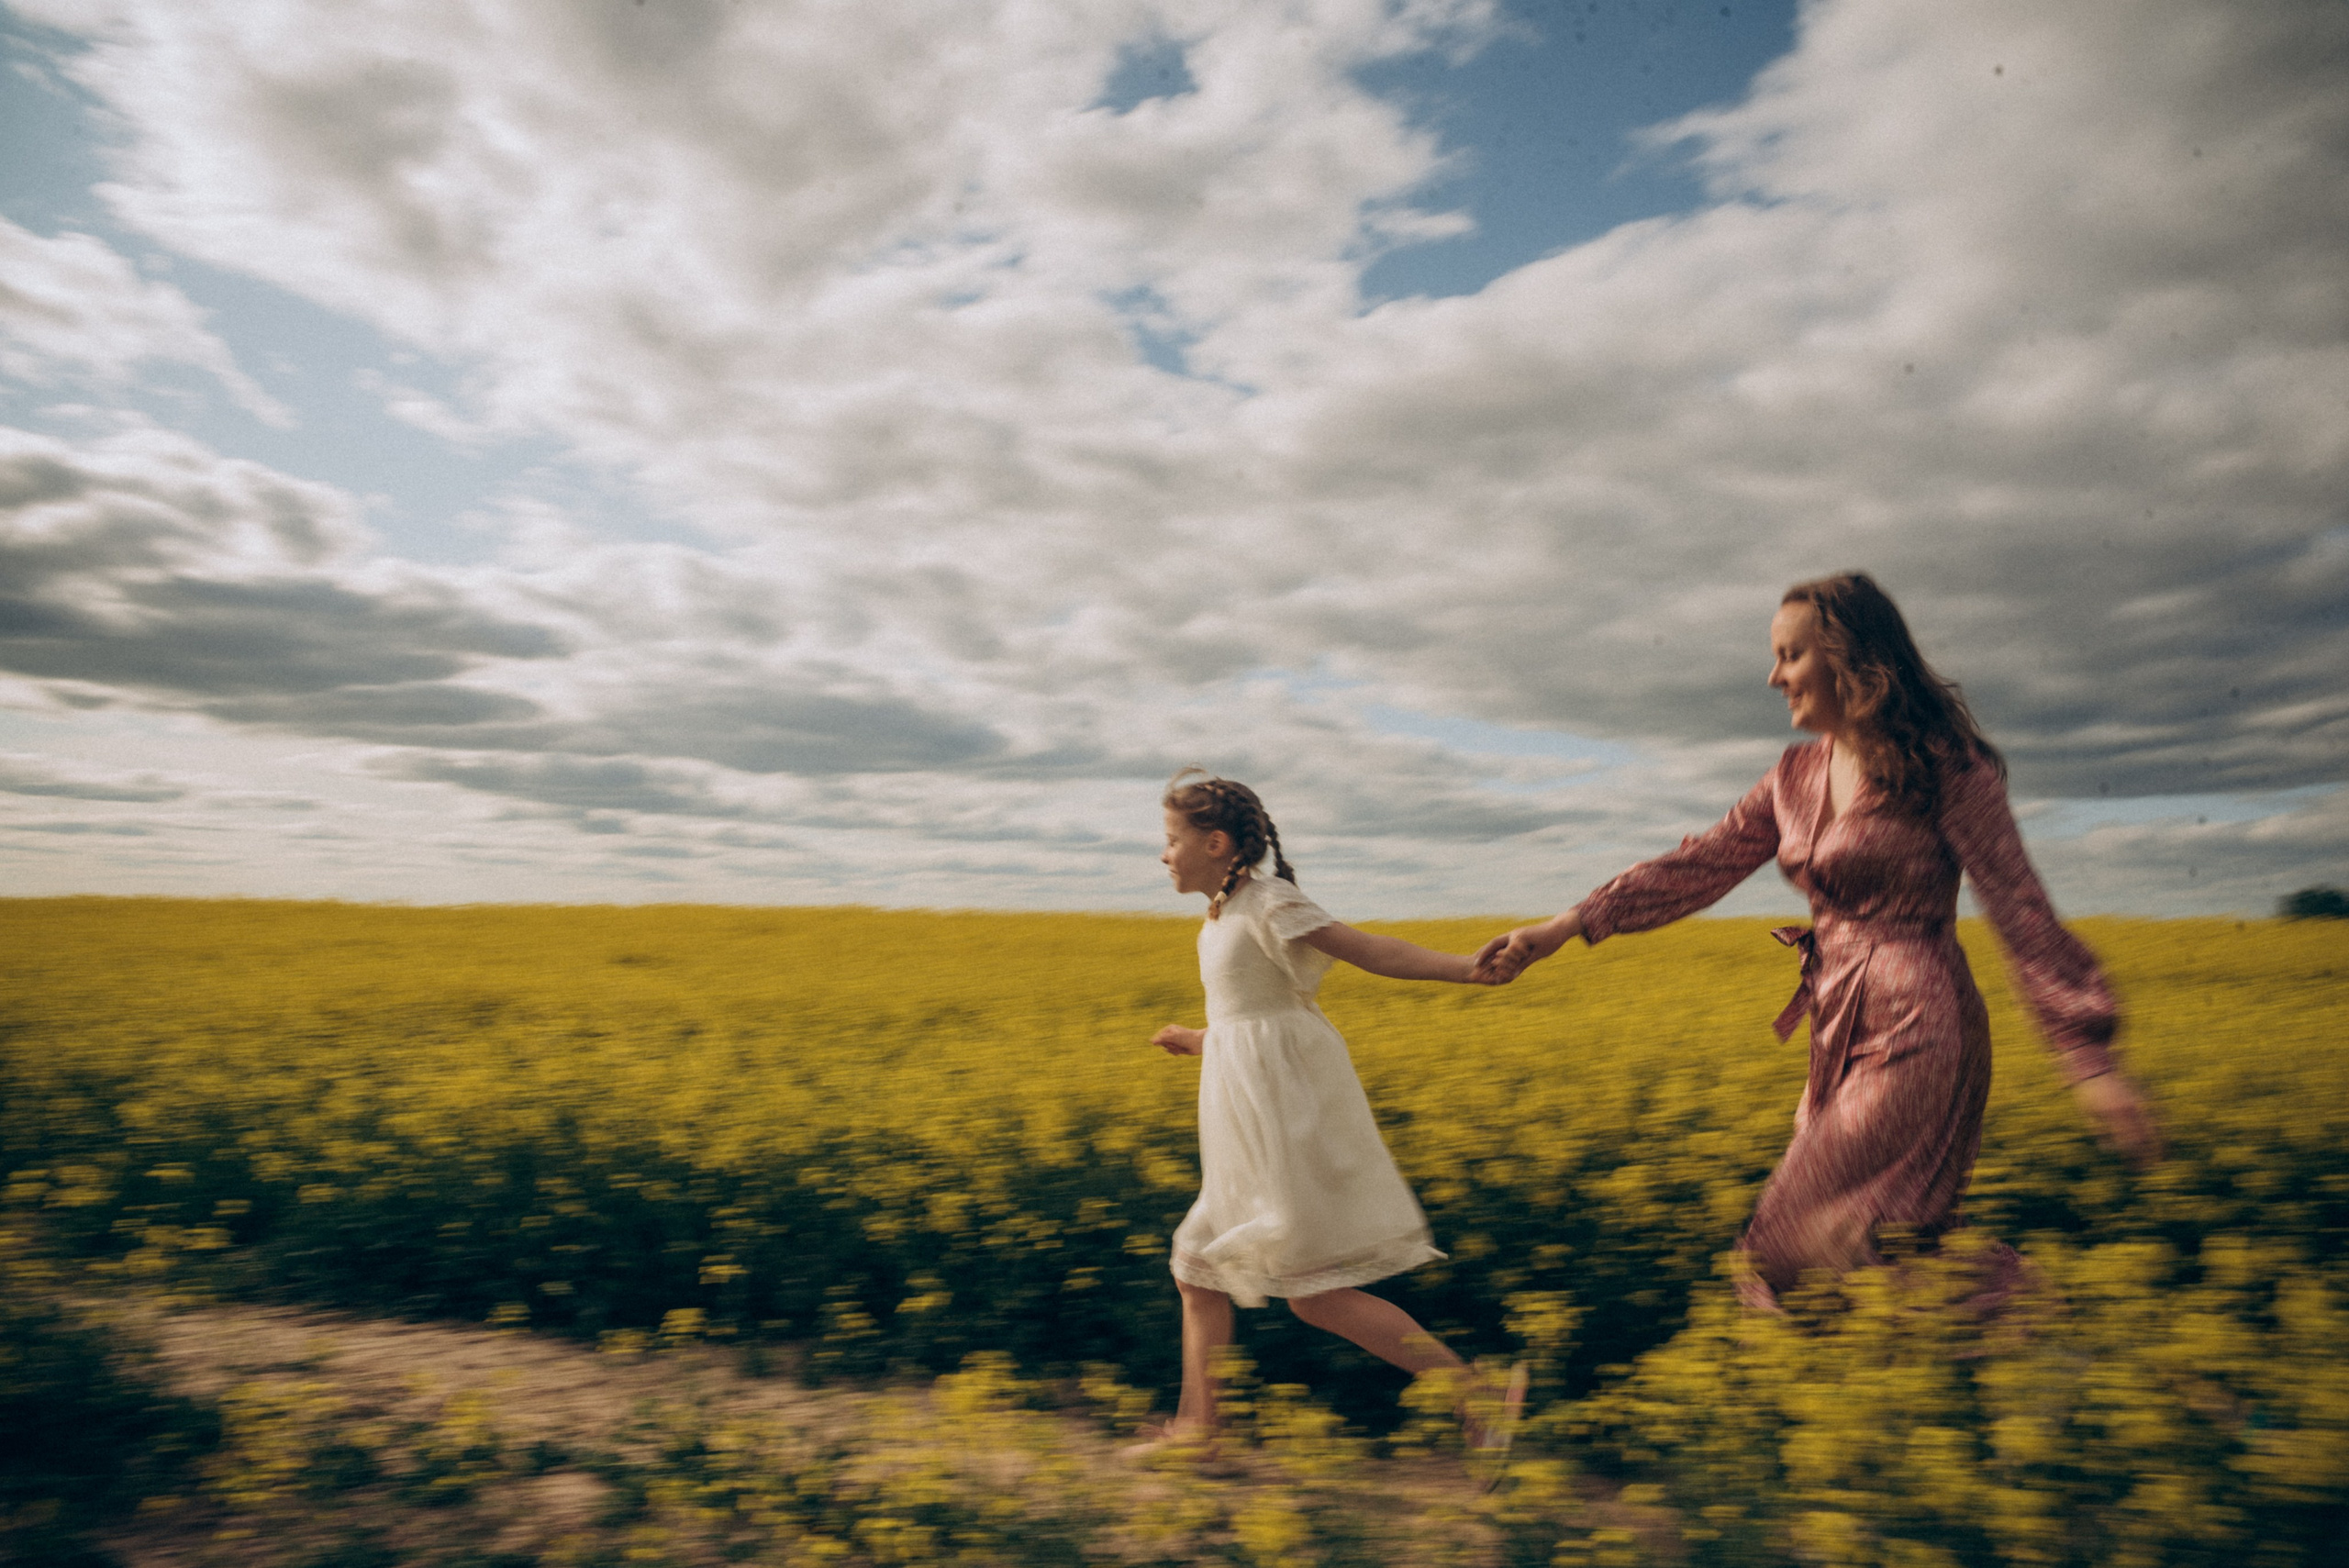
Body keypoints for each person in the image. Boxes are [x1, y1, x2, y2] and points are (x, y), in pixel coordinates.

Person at [1474, 573, 2161, 1310]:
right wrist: (1568, 925)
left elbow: (2017, 902)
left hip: (1919, 1024)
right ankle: (2036, 1371)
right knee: (1882, 1250)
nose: (1774, 677)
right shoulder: (1794, 776)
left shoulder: (1942, 765)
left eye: (1790, 655)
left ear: (1853, 660)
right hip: (1837, 1021)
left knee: (1786, 1244)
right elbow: (1701, 862)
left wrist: (2088, 1057)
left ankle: (2050, 1330)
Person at [1132, 768, 1527, 1466]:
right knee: (1206, 1270)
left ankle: (1477, 1396)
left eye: (1171, 839)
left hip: (1283, 1121)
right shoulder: (1223, 916)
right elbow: (1257, 1015)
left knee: (1304, 1289)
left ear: (1216, 842)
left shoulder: (1270, 902)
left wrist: (1468, 969)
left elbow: (1369, 949)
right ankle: (1200, 1432)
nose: (1163, 853)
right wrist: (1200, 1040)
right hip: (1250, 1116)